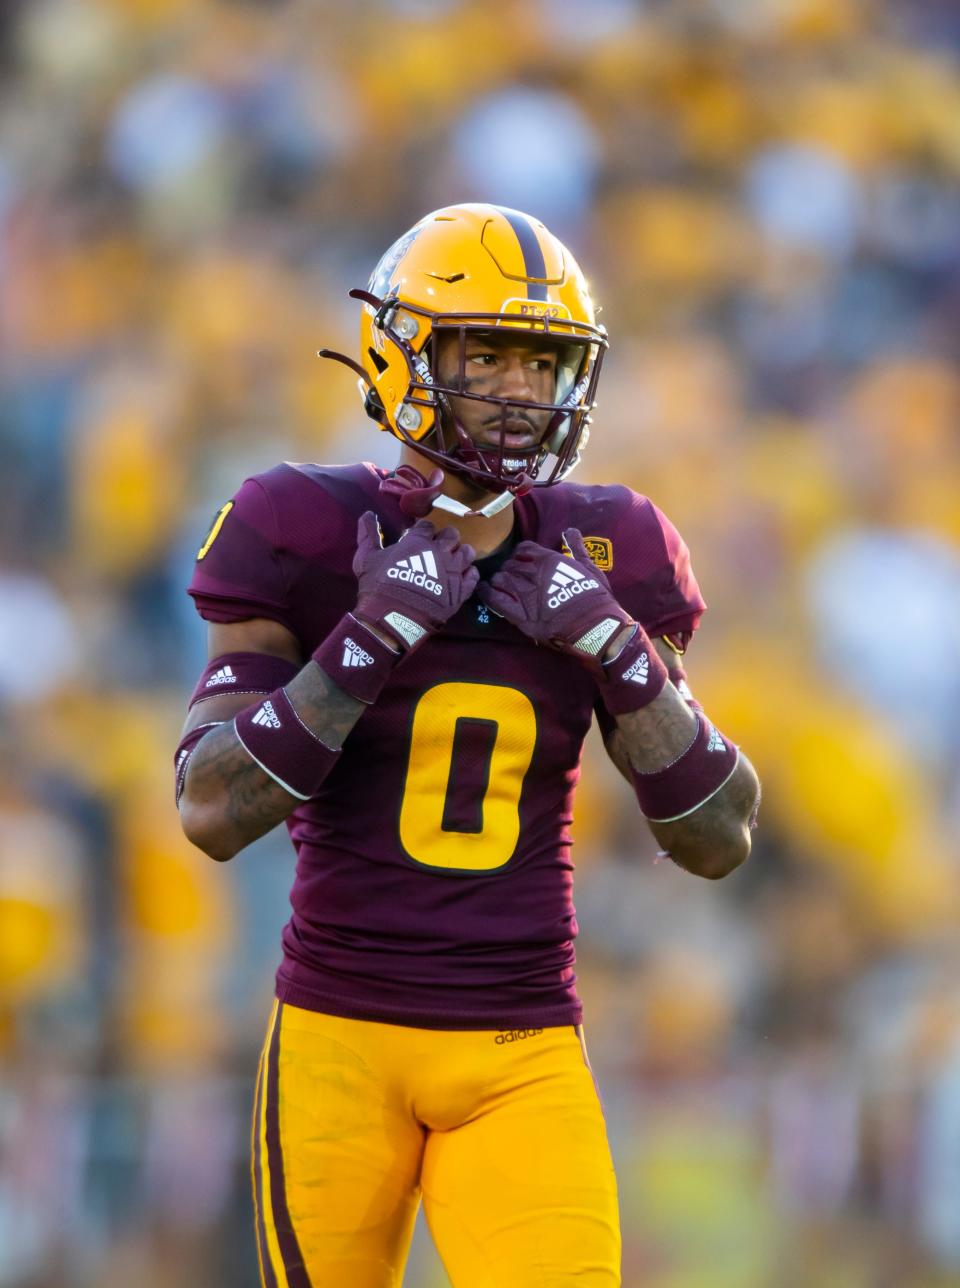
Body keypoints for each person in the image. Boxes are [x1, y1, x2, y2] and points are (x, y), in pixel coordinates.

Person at [175, 203, 761, 1288]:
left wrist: (618, 650)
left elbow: (721, 834)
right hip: (336, 1037)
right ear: (407, 354)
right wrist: (371, 633)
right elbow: (210, 808)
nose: (517, 390)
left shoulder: (611, 548)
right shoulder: (300, 526)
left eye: (539, 361)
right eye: (483, 352)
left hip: (521, 1042)